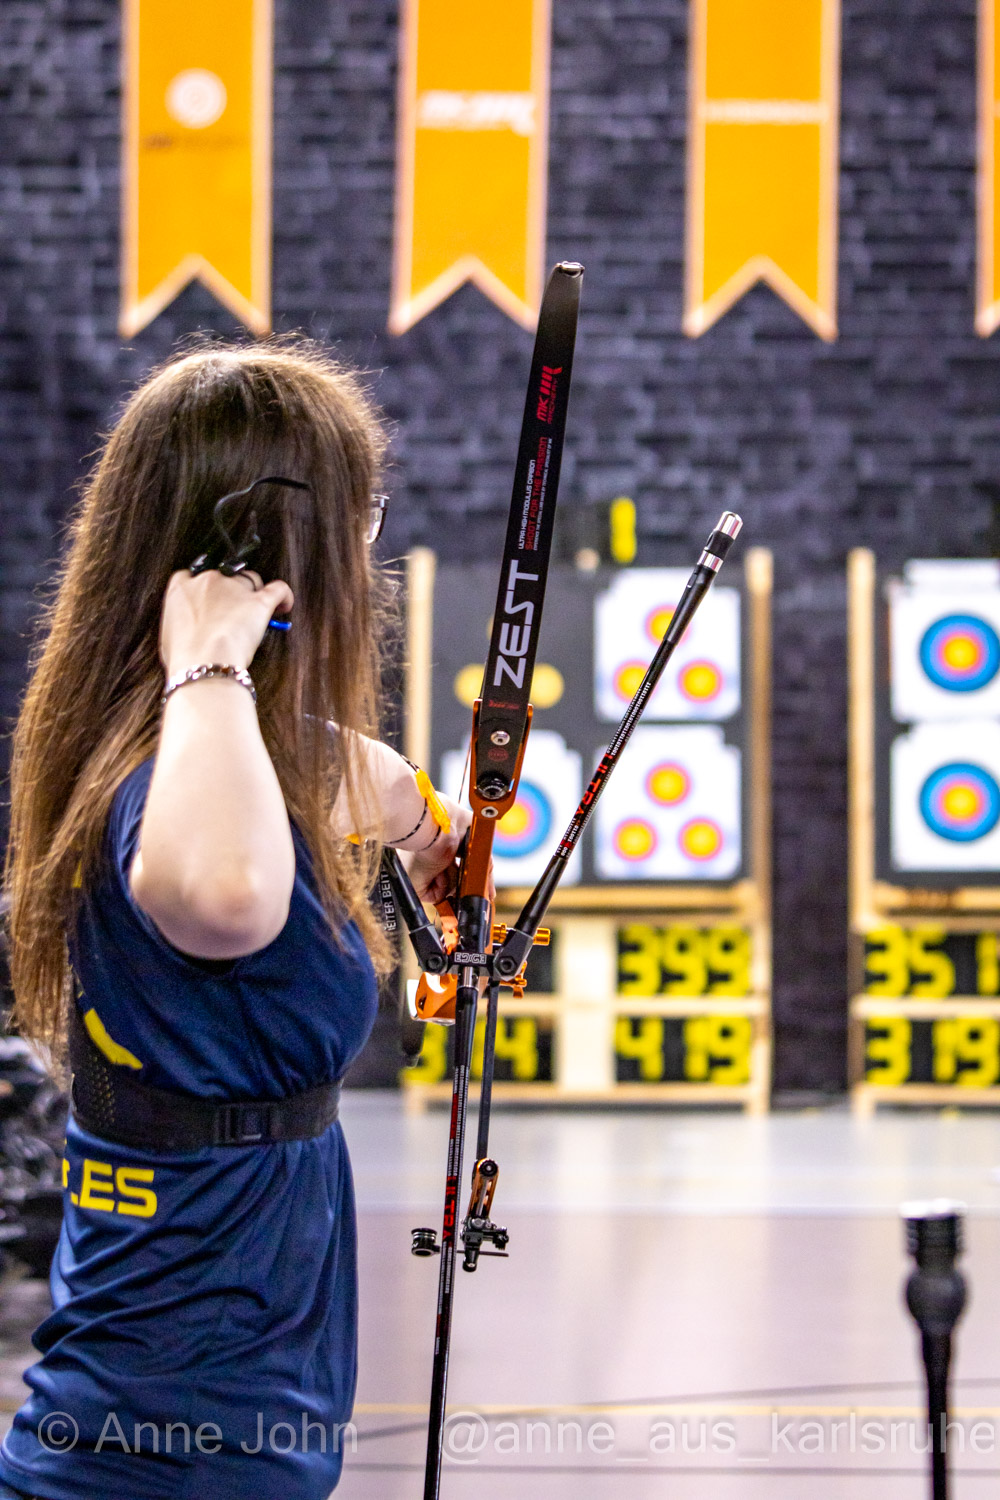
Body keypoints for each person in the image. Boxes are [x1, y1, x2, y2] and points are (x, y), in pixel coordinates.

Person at [0, 342, 468, 1499]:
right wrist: (209, 657)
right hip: (171, 1439)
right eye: (359, 522)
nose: (369, 554)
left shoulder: (210, 751)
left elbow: (336, 778)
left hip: (230, 1396)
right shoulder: (170, 765)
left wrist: (434, 828)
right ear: (273, 560)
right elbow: (225, 896)